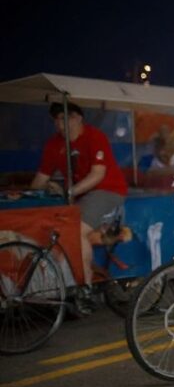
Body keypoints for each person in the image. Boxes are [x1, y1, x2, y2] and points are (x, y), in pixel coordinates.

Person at [31, 102, 128, 304]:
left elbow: (97, 174)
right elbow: (41, 177)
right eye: (56, 119)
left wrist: (69, 192)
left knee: (76, 230)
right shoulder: (53, 144)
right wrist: (25, 197)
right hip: (79, 196)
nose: (60, 123)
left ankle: (85, 288)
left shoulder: (95, 136)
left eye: (65, 118)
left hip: (107, 191)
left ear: (78, 118)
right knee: (55, 229)